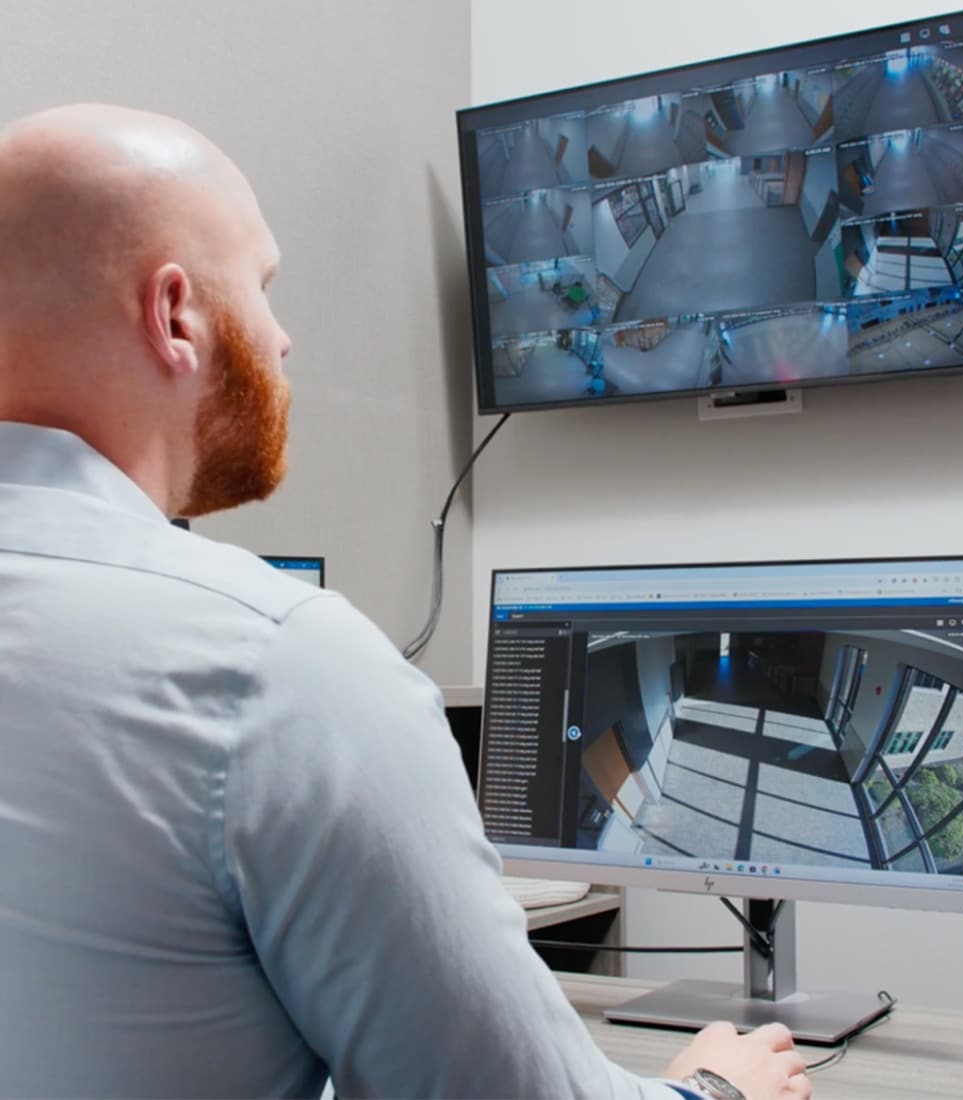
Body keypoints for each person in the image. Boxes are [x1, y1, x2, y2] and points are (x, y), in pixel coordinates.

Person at [0, 104, 811, 1100]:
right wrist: (716, 1089)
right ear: (175, 315)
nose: (284, 338)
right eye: (261, 287)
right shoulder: (272, 664)